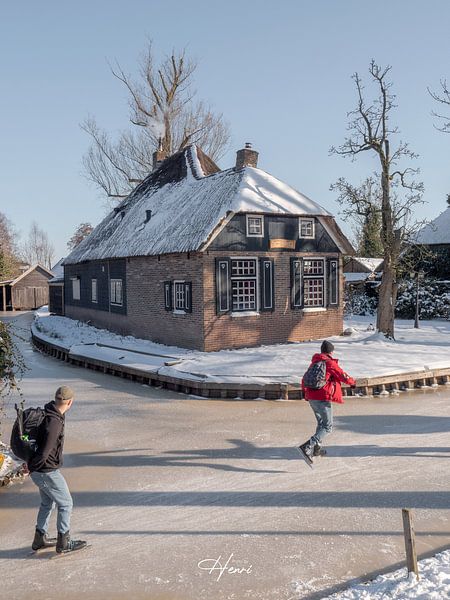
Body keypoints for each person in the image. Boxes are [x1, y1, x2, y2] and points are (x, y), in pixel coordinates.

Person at [27, 385, 87, 554]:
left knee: (47, 502)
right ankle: (64, 541)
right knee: (66, 503)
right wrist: (34, 466)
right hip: (47, 471)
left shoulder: (49, 413)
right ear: (70, 402)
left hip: (40, 469)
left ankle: (40, 538)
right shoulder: (54, 422)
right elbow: (45, 450)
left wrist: (31, 464)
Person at [298, 340, 356, 463]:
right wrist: (352, 383)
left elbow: (304, 379)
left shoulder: (314, 362)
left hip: (311, 397)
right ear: (331, 351)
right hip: (322, 397)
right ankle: (308, 446)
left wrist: (305, 392)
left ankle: (316, 449)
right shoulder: (329, 363)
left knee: (321, 424)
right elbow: (342, 375)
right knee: (328, 426)